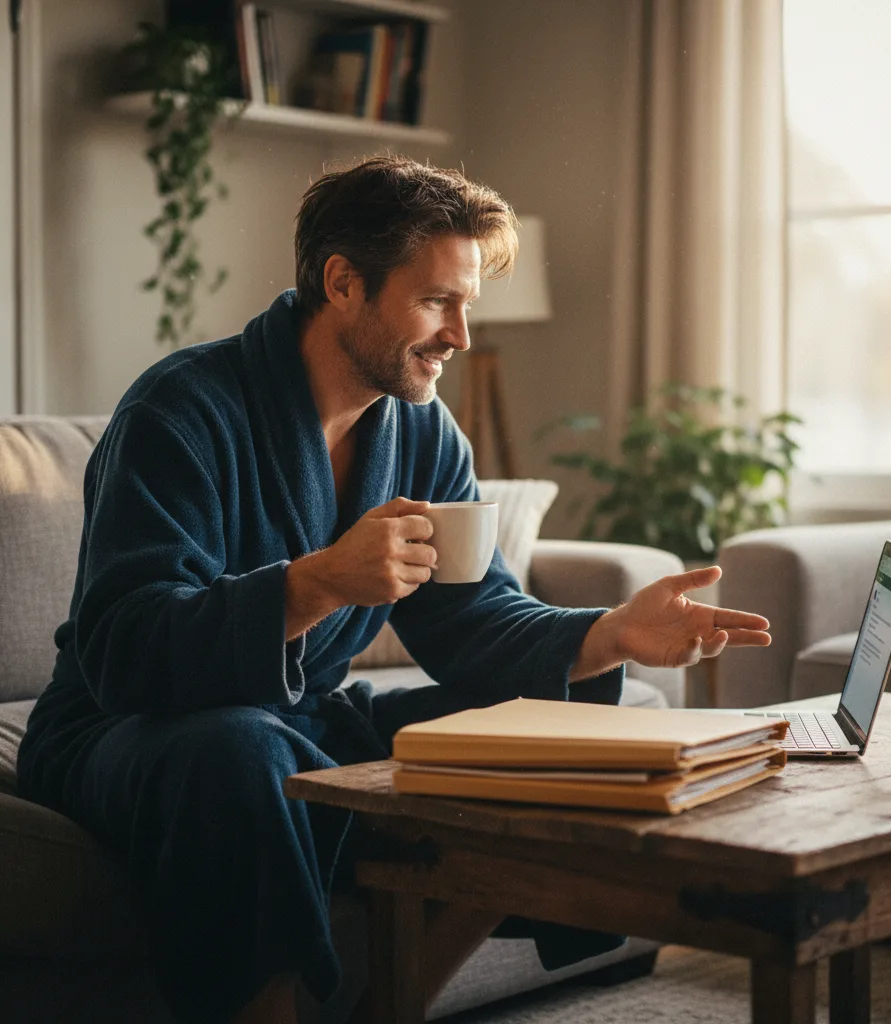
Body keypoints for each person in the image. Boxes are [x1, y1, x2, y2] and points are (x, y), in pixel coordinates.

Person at [16, 155, 771, 1024]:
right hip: (125, 729)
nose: (461, 335)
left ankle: (388, 1009)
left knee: (540, 747)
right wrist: (316, 584)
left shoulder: (422, 432)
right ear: (343, 282)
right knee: (235, 753)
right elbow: (124, 647)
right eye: (436, 301)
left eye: (468, 306)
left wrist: (611, 635)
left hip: (293, 719)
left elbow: (470, 615)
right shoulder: (180, 413)